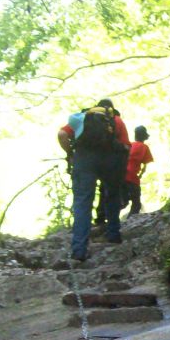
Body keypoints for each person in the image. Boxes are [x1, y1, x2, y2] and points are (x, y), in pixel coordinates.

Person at [57, 100, 129, 261]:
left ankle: (79, 250)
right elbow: (126, 146)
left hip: (84, 160)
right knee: (112, 195)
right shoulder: (116, 120)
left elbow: (62, 134)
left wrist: (70, 154)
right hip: (111, 161)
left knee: (82, 202)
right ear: (110, 109)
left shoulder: (82, 118)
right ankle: (113, 235)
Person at [124, 125, 154, 214]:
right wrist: (140, 175)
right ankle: (129, 222)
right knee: (136, 203)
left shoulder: (129, 145)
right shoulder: (144, 147)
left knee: (122, 201)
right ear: (144, 136)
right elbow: (145, 166)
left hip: (121, 175)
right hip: (132, 177)